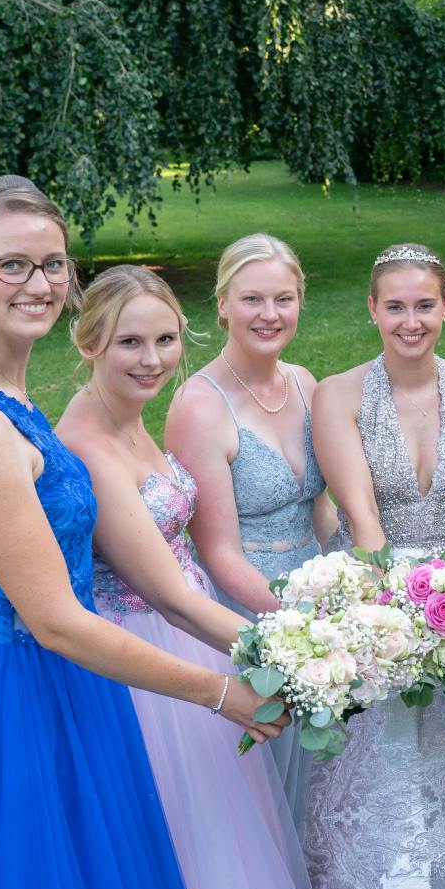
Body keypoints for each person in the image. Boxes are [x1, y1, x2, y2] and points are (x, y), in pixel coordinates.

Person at [0, 176, 285, 889]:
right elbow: (54, 620)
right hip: (21, 690)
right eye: (12, 264)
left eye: (52, 264)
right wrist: (223, 693)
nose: (39, 285)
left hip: (57, 676)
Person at [56, 265, 316, 889]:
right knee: (189, 839)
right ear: (89, 343)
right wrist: (298, 649)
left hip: (195, 634)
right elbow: (168, 595)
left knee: (229, 832)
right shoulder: (88, 447)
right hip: (148, 658)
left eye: (166, 340)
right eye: (130, 343)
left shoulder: (127, 416)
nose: (152, 360)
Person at [305, 243, 445, 889]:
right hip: (376, 600)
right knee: (382, 775)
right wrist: (400, 620)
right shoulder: (338, 395)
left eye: (424, 305)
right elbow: (363, 522)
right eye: (395, 307)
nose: (410, 321)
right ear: (372, 309)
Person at [165, 233, 332, 828]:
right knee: (266, 798)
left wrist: (351, 591)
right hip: (249, 615)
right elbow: (218, 553)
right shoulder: (199, 407)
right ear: (222, 304)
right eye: (252, 299)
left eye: (283, 299)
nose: (269, 314)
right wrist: (299, 626)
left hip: (320, 605)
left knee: (325, 788)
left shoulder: (306, 383)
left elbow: (321, 509)